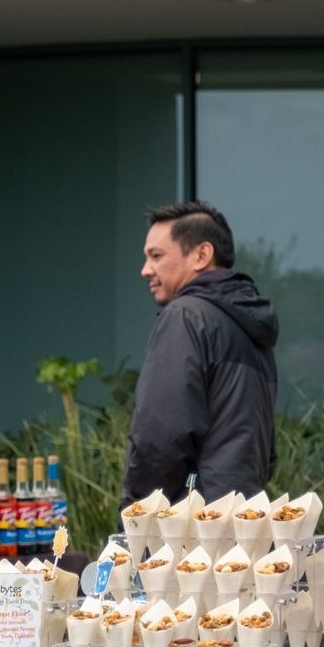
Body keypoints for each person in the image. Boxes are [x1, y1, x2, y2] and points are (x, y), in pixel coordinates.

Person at [123, 201, 278, 504]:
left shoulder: (186, 316)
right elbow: (265, 450)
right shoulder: (248, 325)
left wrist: (136, 515)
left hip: (193, 531)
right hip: (245, 519)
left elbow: (161, 438)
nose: (145, 270)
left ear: (201, 255)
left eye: (156, 256)